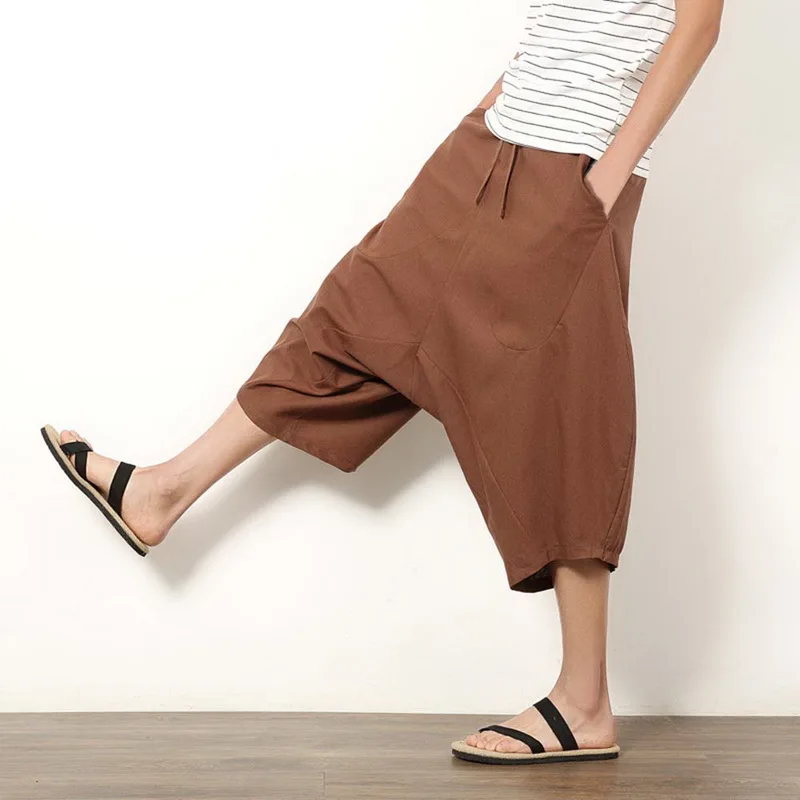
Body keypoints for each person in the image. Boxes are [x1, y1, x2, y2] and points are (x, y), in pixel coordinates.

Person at [41, 0, 724, 767]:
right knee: (357, 313)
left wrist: (603, 182)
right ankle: (164, 491)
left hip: (575, 168)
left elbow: (698, 23)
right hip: (491, 143)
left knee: (560, 405)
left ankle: (585, 700)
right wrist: (486, 113)